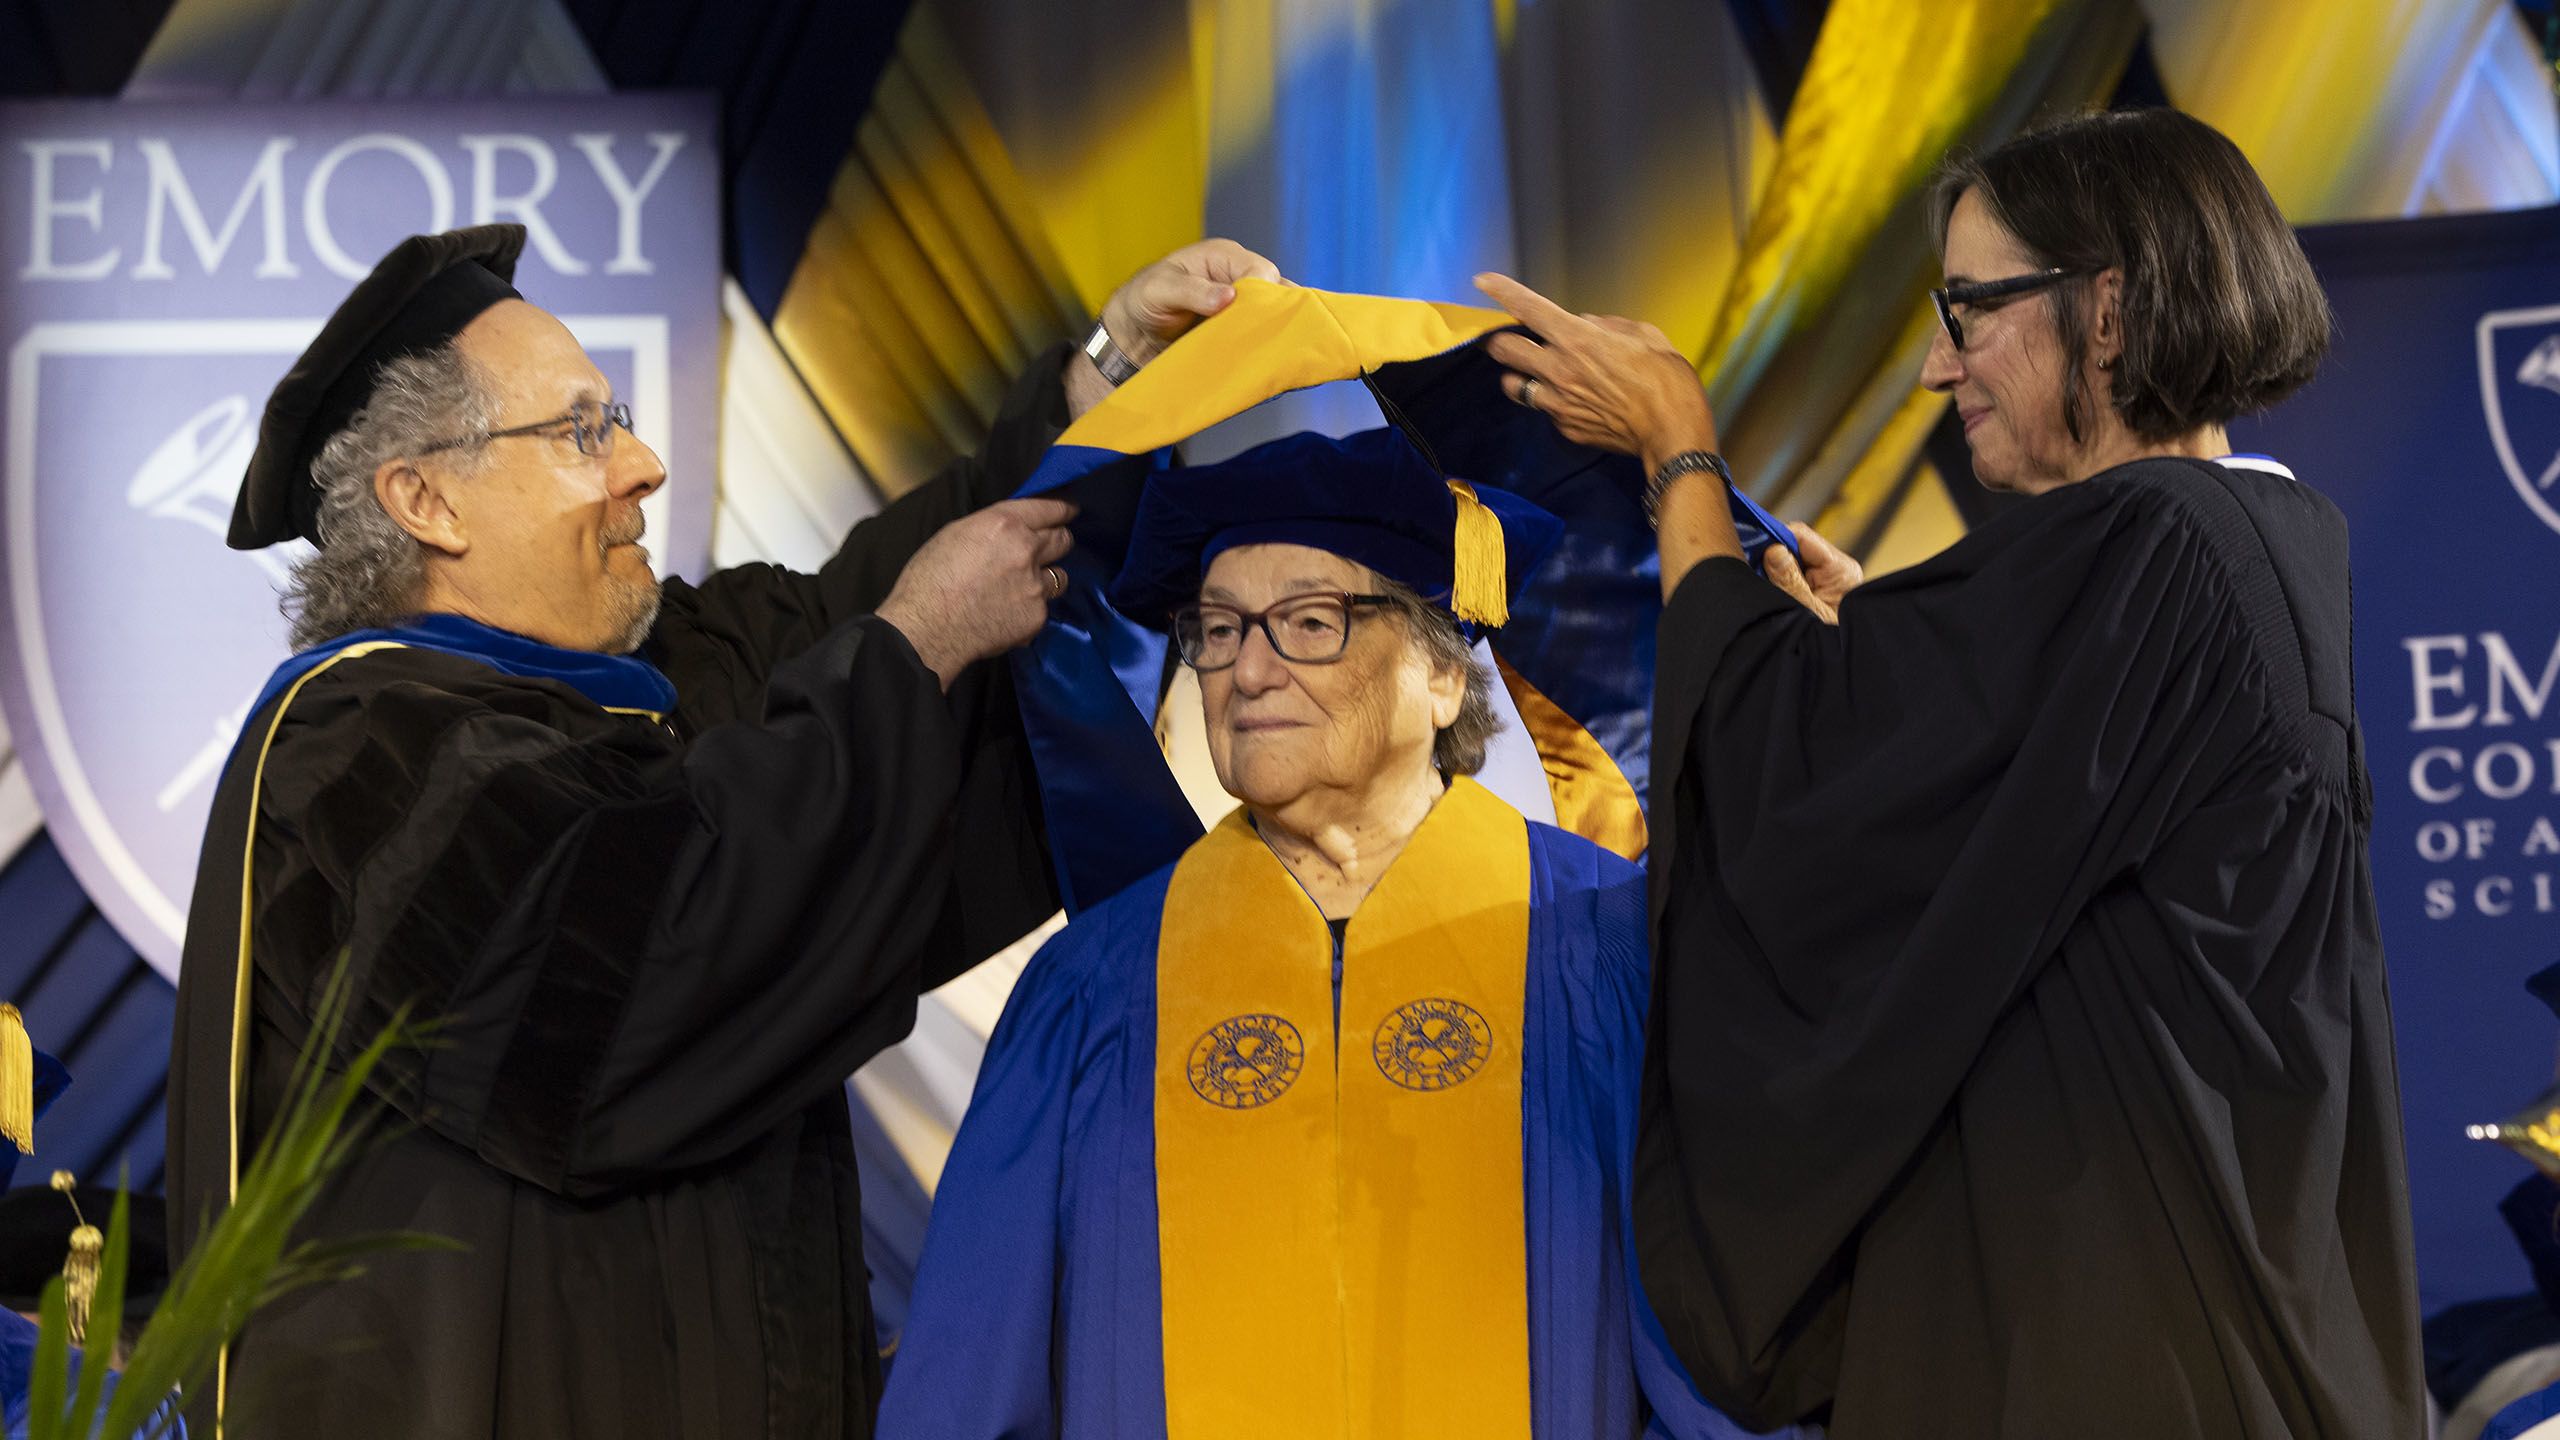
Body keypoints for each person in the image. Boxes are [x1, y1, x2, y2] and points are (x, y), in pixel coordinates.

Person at [164, 221, 1279, 1439]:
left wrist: (1109, 376)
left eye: (620, 417)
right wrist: (912, 652)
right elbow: (638, 980)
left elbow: (888, 605)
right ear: (426, 500)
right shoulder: (360, 754)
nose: (641, 463)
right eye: (581, 430)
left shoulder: (663, 682)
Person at [1474, 107, 2424, 1437]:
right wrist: (1901, 690)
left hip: (2119, 1367)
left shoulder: (2153, 543)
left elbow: (1784, 772)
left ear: (2104, 312)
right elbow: (1984, 805)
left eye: (1969, 311)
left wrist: (1679, 461)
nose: (1935, 367)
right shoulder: (2243, 542)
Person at [876, 428, 1772, 1438]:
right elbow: (968, 1381)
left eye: (1307, 622)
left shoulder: (1602, 949)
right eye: (1214, 632)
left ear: (1441, 680)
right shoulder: (1095, 990)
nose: (1246, 671)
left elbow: (1716, 1363)